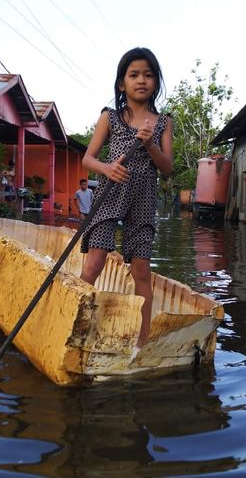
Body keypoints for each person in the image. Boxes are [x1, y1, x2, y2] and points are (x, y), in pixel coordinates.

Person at [79, 47, 173, 348]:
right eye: (134, 75)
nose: (141, 80)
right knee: (94, 263)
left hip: (143, 198)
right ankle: (73, 321)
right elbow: (87, 159)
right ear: (122, 84)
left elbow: (167, 168)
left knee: (141, 269)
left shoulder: (162, 123)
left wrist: (149, 145)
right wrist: (106, 168)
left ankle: (141, 343)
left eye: (148, 75)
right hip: (110, 194)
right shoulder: (110, 117)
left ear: (156, 82)